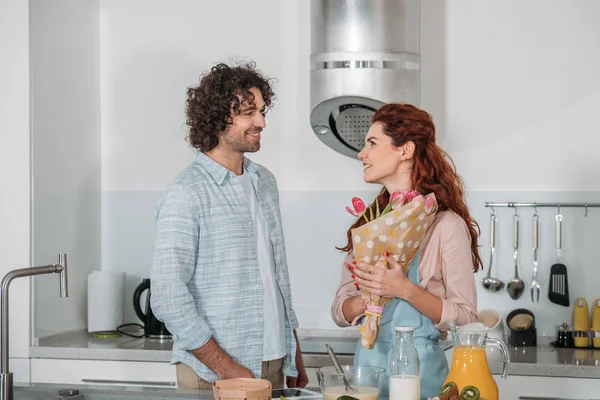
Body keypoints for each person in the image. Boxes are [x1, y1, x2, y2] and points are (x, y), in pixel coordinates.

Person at [151, 61, 308, 390]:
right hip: (213, 372)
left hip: (274, 361)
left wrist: (294, 353)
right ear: (219, 116)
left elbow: (276, 278)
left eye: (262, 111)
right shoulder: (186, 193)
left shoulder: (264, 182)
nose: (261, 122)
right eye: (249, 113)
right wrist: (227, 367)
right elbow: (167, 296)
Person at [330, 103, 481, 398]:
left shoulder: (445, 224)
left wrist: (403, 288)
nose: (362, 154)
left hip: (422, 378)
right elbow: (339, 310)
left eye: (372, 143)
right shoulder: (369, 225)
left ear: (405, 150)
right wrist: (367, 300)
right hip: (367, 375)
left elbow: (466, 318)